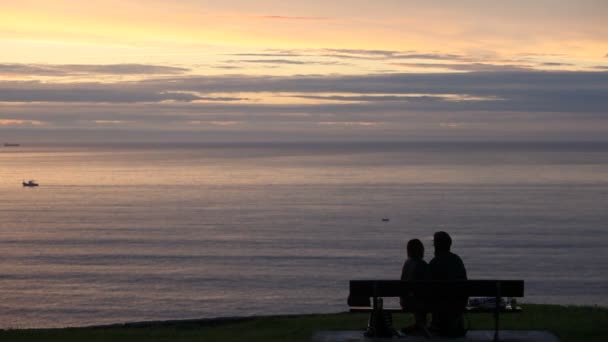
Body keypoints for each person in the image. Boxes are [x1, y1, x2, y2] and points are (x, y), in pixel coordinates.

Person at [428, 231, 468, 337]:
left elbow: (428, 289)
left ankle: (434, 325)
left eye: (434, 244)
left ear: (436, 246)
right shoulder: (457, 260)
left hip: (440, 305)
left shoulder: (434, 263)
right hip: (457, 304)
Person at [400, 238, 429, 335]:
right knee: (423, 295)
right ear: (421, 250)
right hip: (418, 301)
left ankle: (419, 324)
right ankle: (422, 324)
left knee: (419, 295)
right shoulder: (422, 265)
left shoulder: (407, 263)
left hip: (406, 301)